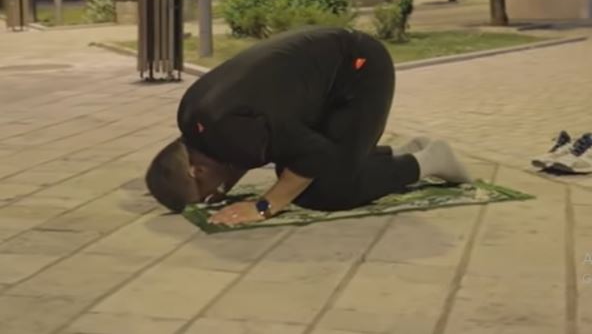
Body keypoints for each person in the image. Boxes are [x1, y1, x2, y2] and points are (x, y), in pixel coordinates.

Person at [145, 27, 472, 226]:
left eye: (206, 193)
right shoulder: (191, 117)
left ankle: (430, 160)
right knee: (295, 175)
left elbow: (314, 154)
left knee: (327, 190)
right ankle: (398, 153)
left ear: (197, 171)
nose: (217, 195)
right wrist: (229, 184)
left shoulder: (225, 132)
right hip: (328, 70)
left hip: (360, 71)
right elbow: (253, 134)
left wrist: (264, 207)